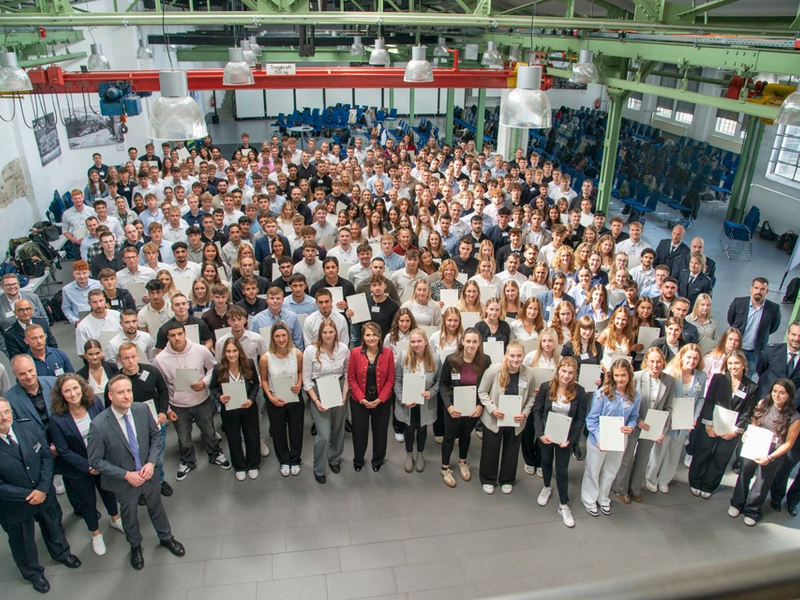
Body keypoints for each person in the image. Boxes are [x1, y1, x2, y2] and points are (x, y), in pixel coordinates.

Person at [87, 375, 185, 570]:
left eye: (129, 391)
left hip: (148, 474)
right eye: (120, 392)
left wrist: (151, 463)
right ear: (110, 396)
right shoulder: (99, 425)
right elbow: (96, 461)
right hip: (124, 482)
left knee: (157, 507)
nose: (126, 396)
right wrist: (125, 475)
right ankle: (135, 546)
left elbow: (156, 436)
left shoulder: (142, 409)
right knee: (129, 514)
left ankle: (166, 537)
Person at [0, 397, 81, 593]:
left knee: (53, 524)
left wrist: (43, 488)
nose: (4, 418)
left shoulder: (27, 427)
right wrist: (30, 494)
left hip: (44, 493)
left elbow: (46, 456)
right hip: (14, 505)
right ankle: (33, 573)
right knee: (22, 541)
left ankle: (62, 553)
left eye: (6, 412)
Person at [48, 374, 124, 555]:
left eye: (75, 388)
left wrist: (100, 461)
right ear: (61, 394)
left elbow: (107, 427)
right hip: (78, 468)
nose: (73, 393)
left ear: (82, 388)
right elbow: (63, 450)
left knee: (108, 491)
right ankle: (95, 534)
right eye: (67, 391)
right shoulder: (57, 418)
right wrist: (89, 465)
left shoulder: (94, 403)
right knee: (87, 501)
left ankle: (115, 519)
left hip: (101, 460)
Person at [153, 323, 230, 481]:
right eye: (172, 335)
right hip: (178, 406)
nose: (177, 338)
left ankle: (215, 454)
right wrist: (167, 409)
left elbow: (213, 368)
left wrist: (205, 382)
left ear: (185, 333)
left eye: (179, 334)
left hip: (202, 401)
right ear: (168, 337)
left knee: (209, 431)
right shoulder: (160, 360)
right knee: (183, 437)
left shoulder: (200, 350)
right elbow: (161, 387)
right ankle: (187, 461)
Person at [689, 350, 759, 499]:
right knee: (702, 452)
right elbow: (709, 401)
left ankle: (709, 486)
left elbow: (747, 411)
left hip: (732, 430)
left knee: (720, 458)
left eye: (737, 363)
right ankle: (695, 481)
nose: (733, 366)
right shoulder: (718, 379)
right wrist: (708, 425)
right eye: (730, 363)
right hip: (711, 424)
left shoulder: (751, 387)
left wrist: (735, 431)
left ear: (744, 364)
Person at [730, 379, 800, 526]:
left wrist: (770, 457)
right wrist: (748, 433)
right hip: (755, 444)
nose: (777, 395)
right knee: (744, 474)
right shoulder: (763, 403)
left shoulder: (794, 417)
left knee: (762, 482)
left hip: (773, 452)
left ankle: (752, 510)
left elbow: (788, 443)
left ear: (789, 395)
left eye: (782, 393)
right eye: (775, 391)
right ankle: (737, 503)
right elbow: (755, 422)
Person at [613, 347, 675, 505]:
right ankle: (620, 488)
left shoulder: (669, 381)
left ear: (663, 362)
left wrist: (663, 429)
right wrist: (638, 420)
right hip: (635, 422)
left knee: (643, 458)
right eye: (652, 361)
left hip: (653, 427)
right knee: (627, 457)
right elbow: (629, 400)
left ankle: (635, 488)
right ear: (646, 360)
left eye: (658, 361)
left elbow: (668, 407)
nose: (655, 364)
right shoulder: (637, 377)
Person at [532, 357, 589, 527]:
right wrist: (540, 434)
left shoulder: (580, 392)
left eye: (570, 372)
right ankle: (546, 487)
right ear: (558, 370)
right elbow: (537, 411)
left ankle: (563, 504)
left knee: (562, 469)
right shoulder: (546, 387)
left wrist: (571, 440)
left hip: (566, 437)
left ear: (575, 374)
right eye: (564, 371)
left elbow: (580, 419)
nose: (566, 375)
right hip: (547, 434)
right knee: (546, 462)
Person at [581, 359, 641, 516]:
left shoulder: (635, 396)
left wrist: (631, 427)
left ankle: (603, 497)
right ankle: (589, 499)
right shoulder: (602, 394)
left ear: (629, 375)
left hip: (619, 438)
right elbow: (591, 420)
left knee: (611, 470)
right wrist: (599, 437)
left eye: (623, 375)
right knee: (593, 470)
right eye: (616, 375)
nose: (620, 379)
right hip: (599, 438)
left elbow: (634, 417)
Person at [477, 341, 536, 495]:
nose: (515, 359)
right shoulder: (493, 370)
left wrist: (525, 413)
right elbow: (482, 392)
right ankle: (488, 479)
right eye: (512, 355)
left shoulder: (529, 373)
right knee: (490, 449)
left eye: (519, 356)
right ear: (506, 355)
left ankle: (507, 479)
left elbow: (531, 396)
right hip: (494, 418)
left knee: (511, 451)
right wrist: (492, 409)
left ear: (523, 355)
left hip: (516, 420)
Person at [646, 344, 706, 493]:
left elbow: (700, 398)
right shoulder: (671, 373)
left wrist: (694, 418)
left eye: (695, 358)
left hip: (685, 419)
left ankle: (664, 480)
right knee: (659, 450)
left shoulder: (701, 376)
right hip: (669, 417)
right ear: (682, 357)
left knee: (675, 451)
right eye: (689, 357)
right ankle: (651, 478)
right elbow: (662, 398)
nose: (692, 361)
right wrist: (668, 419)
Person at [438, 328, 489, 487]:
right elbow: (443, 385)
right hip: (454, 406)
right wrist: (449, 406)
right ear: (462, 342)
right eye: (468, 341)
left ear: (479, 343)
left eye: (474, 341)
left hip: (472, 407)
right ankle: (445, 468)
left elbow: (488, 385)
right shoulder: (451, 360)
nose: (471, 345)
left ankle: (463, 462)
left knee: (466, 434)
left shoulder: (485, 361)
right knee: (449, 436)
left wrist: (481, 405)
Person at [302, 318, 350, 484]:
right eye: (325, 332)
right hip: (319, 391)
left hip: (338, 388)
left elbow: (348, 373)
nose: (328, 335)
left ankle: (334, 458)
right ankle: (319, 468)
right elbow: (306, 379)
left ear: (336, 332)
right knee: (323, 434)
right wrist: (315, 401)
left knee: (338, 429)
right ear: (320, 334)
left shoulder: (343, 349)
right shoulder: (310, 351)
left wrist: (345, 393)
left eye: (331, 332)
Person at [206, 338, 261, 481]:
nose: (231, 355)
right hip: (229, 410)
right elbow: (213, 388)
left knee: (252, 437)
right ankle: (239, 466)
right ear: (224, 353)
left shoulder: (249, 364)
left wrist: (251, 399)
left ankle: (253, 464)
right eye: (228, 351)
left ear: (239, 351)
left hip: (248, 407)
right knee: (233, 438)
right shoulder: (219, 368)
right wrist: (220, 397)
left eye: (234, 351)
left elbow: (256, 384)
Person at [347, 321, 395, 472]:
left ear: (380, 336)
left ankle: (378, 459)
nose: (371, 338)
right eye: (368, 335)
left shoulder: (388, 353)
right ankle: (358, 459)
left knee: (380, 432)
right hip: (359, 400)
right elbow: (351, 378)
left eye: (374, 334)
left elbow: (390, 379)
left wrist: (381, 399)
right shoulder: (355, 353)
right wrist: (361, 398)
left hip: (381, 399)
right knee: (359, 432)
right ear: (363, 336)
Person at [260, 322, 304, 477]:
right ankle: (284, 460)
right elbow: (264, 380)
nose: (281, 339)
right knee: (278, 431)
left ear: (288, 336)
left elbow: (300, 372)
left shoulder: (297, 353)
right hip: (275, 399)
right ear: (272, 337)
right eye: (277, 336)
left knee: (296, 429)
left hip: (294, 397)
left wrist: (299, 383)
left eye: (284, 335)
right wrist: (270, 397)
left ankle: (295, 459)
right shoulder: (266, 358)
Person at [394, 328, 441, 474]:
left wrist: (431, 392)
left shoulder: (435, 359)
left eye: (419, 341)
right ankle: (409, 454)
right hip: (408, 402)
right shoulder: (403, 356)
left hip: (425, 402)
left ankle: (420, 454)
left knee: (422, 428)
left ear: (426, 342)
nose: (416, 344)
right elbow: (397, 381)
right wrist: (402, 399)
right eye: (413, 341)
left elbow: (439, 381)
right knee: (409, 428)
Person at [727, 277, 781, 375]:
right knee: (728, 374)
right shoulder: (738, 302)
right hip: (735, 348)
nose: (758, 292)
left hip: (754, 353)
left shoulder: (773, 309)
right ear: (751, 288)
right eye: (756, 288)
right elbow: (731, 319)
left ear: (767, 291)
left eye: (762, 289)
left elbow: (773, 327)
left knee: (746, 378)